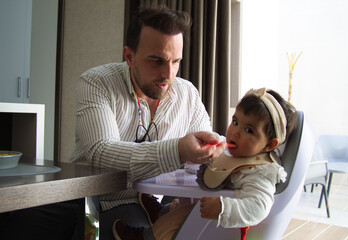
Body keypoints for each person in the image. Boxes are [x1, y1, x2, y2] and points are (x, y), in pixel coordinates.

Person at [69, 5, 226, 240]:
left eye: (176, 61)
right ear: (129, 56)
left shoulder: (188, 94)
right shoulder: (97, 83)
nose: (168, 74)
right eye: (157, 61)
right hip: (102, 204)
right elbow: (101, 152)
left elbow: (205, 154)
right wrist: (178, 149)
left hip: (158, 202)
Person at [112, 88, 297, 240]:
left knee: (190, 214)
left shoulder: (260, 172)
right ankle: (161, 213)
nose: (235, 132)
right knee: (182, 205)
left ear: (270, 144)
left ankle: (145, 237)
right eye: (235, 122)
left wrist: (223, 209)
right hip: (209, 215)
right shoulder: (240, 155)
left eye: (249, 130)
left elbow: (258, 207)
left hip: (223, 228)